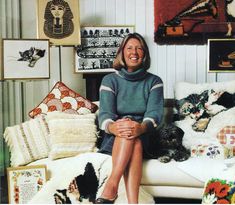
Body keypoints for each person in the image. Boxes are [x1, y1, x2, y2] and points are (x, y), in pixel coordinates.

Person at [95, 32, 164, 204]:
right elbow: (105, 114)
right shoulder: (109, 80)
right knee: (128, 133)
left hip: (145, 133)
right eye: (130, 48)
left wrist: (140, 127)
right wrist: (113, 127)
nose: (134, 52)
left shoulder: (154, 81)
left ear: (145, 54)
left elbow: (154, 114)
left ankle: (111, 186)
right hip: (115, 135)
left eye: (139, 48)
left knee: (136, 138)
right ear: (122, 52)